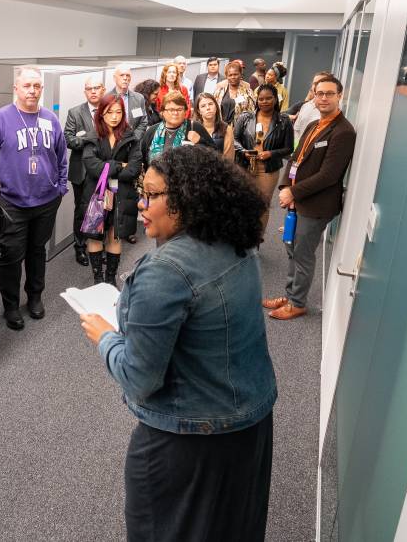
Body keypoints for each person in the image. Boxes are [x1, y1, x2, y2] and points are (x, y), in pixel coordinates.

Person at [80, 145, 277, 542]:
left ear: (186, 201)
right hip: (248, 426)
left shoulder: (167, 270)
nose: (140, 205)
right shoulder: (236, 243)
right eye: (141, 192)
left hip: (188, 442)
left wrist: (106, 338)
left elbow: (139, 379)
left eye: (152, 196)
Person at [266, 74, 356, 320]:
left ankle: (297, 302)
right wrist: (286, 186)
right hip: (299, 200)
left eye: (329, 93)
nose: (324, 98)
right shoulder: (314, 124)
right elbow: (296, 158)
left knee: (303, 253)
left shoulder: (343, 132)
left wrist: (293, 191)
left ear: (340, 96)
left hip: (316, 205)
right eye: (319, 93)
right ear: (313, 96)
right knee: (292, 247)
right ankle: (290, 293)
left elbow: (329, 175)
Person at [0, 66, 68, 331]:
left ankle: (34, 297)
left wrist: (61, 188)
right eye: (27, 86)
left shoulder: (51, 119)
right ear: (16, 89)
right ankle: (10, 305)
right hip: (12, 203)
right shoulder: (0, 119)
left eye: (37, 86)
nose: (33, 90)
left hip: (45, 201)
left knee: (36, 252)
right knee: (11, 256)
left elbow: (61, 155)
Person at [81, 93, 143, 285]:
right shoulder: (93, 136)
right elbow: (92, 165)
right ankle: (98, 279)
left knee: (114, 236)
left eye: (118, 112)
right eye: (109, 112)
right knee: (95, 236)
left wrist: (108, 166)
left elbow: (134, 168)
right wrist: (118, 165)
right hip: (97, 194)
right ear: (101, 114)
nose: (114, 116)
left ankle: (110, 279)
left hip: (122, 194)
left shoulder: (130, 136)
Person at [234, 84, 295, 234]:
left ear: (275, 99)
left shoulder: (284, 121)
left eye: (269, 98)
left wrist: (271, 153)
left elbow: (289, 148)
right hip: (244, 166)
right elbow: (234, 140)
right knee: (242, 202)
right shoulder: (245, 117)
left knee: (262, 205)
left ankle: (256, 240)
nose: (264, 101)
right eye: (261, 98)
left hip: (268, 169)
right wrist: (243, 151)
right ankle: (240, 236)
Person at [65, 76, 106, 266]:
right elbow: (70, 140)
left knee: (101, 209)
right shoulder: (75, 113)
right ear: (85, 92)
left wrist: (85, 138)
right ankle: (80, 247)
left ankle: (98, 245)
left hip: (103, 168)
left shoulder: (110, 109)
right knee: (81, 210)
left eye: (97, 87)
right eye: (89, 88)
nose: (93, 91)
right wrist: (92, 137)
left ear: (103, 89)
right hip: (81, 170)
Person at [141, 91, 216, 170]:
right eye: (171, 109)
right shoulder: (152, 131)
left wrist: (200, 141)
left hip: (187, 181)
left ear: (185, 112)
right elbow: (142, 158)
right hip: (155, 180)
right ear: (162, 112)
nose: (175, 113)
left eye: (179, 109)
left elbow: (215, 154)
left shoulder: (195, 128)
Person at [109, 63, 148, 139]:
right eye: (122, 75)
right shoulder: (106, 98)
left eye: (128, 75)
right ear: (114, 78)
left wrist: (134, 138)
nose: (125, 78)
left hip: (133, 141)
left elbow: (143, 121)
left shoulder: (139, 98)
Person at [292, 72, 331, 144]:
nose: (315, 86)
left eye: (320, 83)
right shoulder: (306, 106)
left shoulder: (330, 110)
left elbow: (326, 140)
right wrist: (296, 150)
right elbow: (296, 130)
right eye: (314, 83)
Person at [195, 92, 234, 160]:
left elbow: (229, 159)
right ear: (199, 111)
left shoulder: (226, 129)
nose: (208, 108)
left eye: (210, 104)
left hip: (221, 168)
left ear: (216, 106)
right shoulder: (194, 129)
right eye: (203, 106)